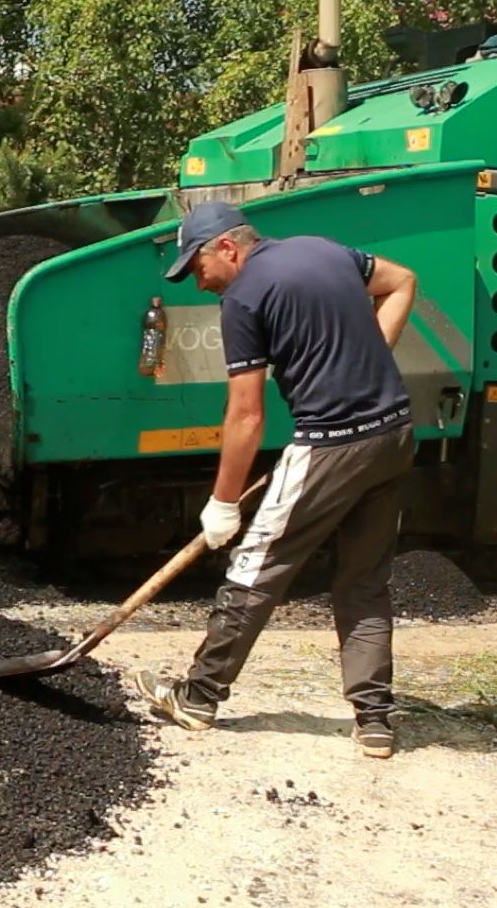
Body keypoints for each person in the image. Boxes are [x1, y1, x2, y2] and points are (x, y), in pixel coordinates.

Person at [131, 201, 419, 759]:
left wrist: (222, 502)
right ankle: (375, 719)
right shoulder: (324, 249)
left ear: (228, 248)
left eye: (197, 266)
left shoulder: (244, 297)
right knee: (364, 579)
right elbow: (402, 281)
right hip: (393, 434)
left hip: (331, 443)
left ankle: (199, 695)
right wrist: (370, 357)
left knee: (256, 566)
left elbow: (245, 414)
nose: (199, 280)